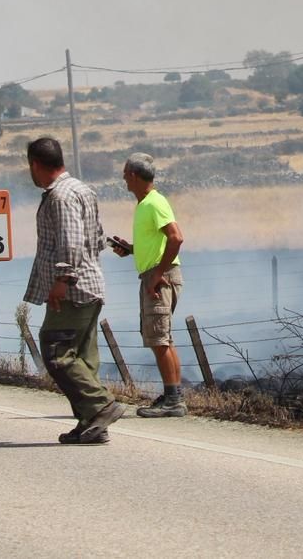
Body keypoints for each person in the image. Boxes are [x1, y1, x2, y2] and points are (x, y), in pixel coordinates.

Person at [23, 137, 127, 444]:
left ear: (35, 165)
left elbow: (70, 242)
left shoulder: (61, 197)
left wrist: (62, 280)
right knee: (82, 357)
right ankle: (92, 424)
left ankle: (101, 406)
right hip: (90, 285)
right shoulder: (82, 189)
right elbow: (96, 239)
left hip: (73, 290)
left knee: (56, 352)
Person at [109, 153, 186, 418]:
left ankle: (173, 402)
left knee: (158, 339)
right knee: (163, 339)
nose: (123, 179)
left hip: (159, 277)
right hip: (156, 274)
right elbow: (159, 242)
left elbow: (176, 238)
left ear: (134, 175)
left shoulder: (154, 203)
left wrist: (157, 274)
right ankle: (173, 395)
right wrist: (131, 249)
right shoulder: (145, 204)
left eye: (125, 174)